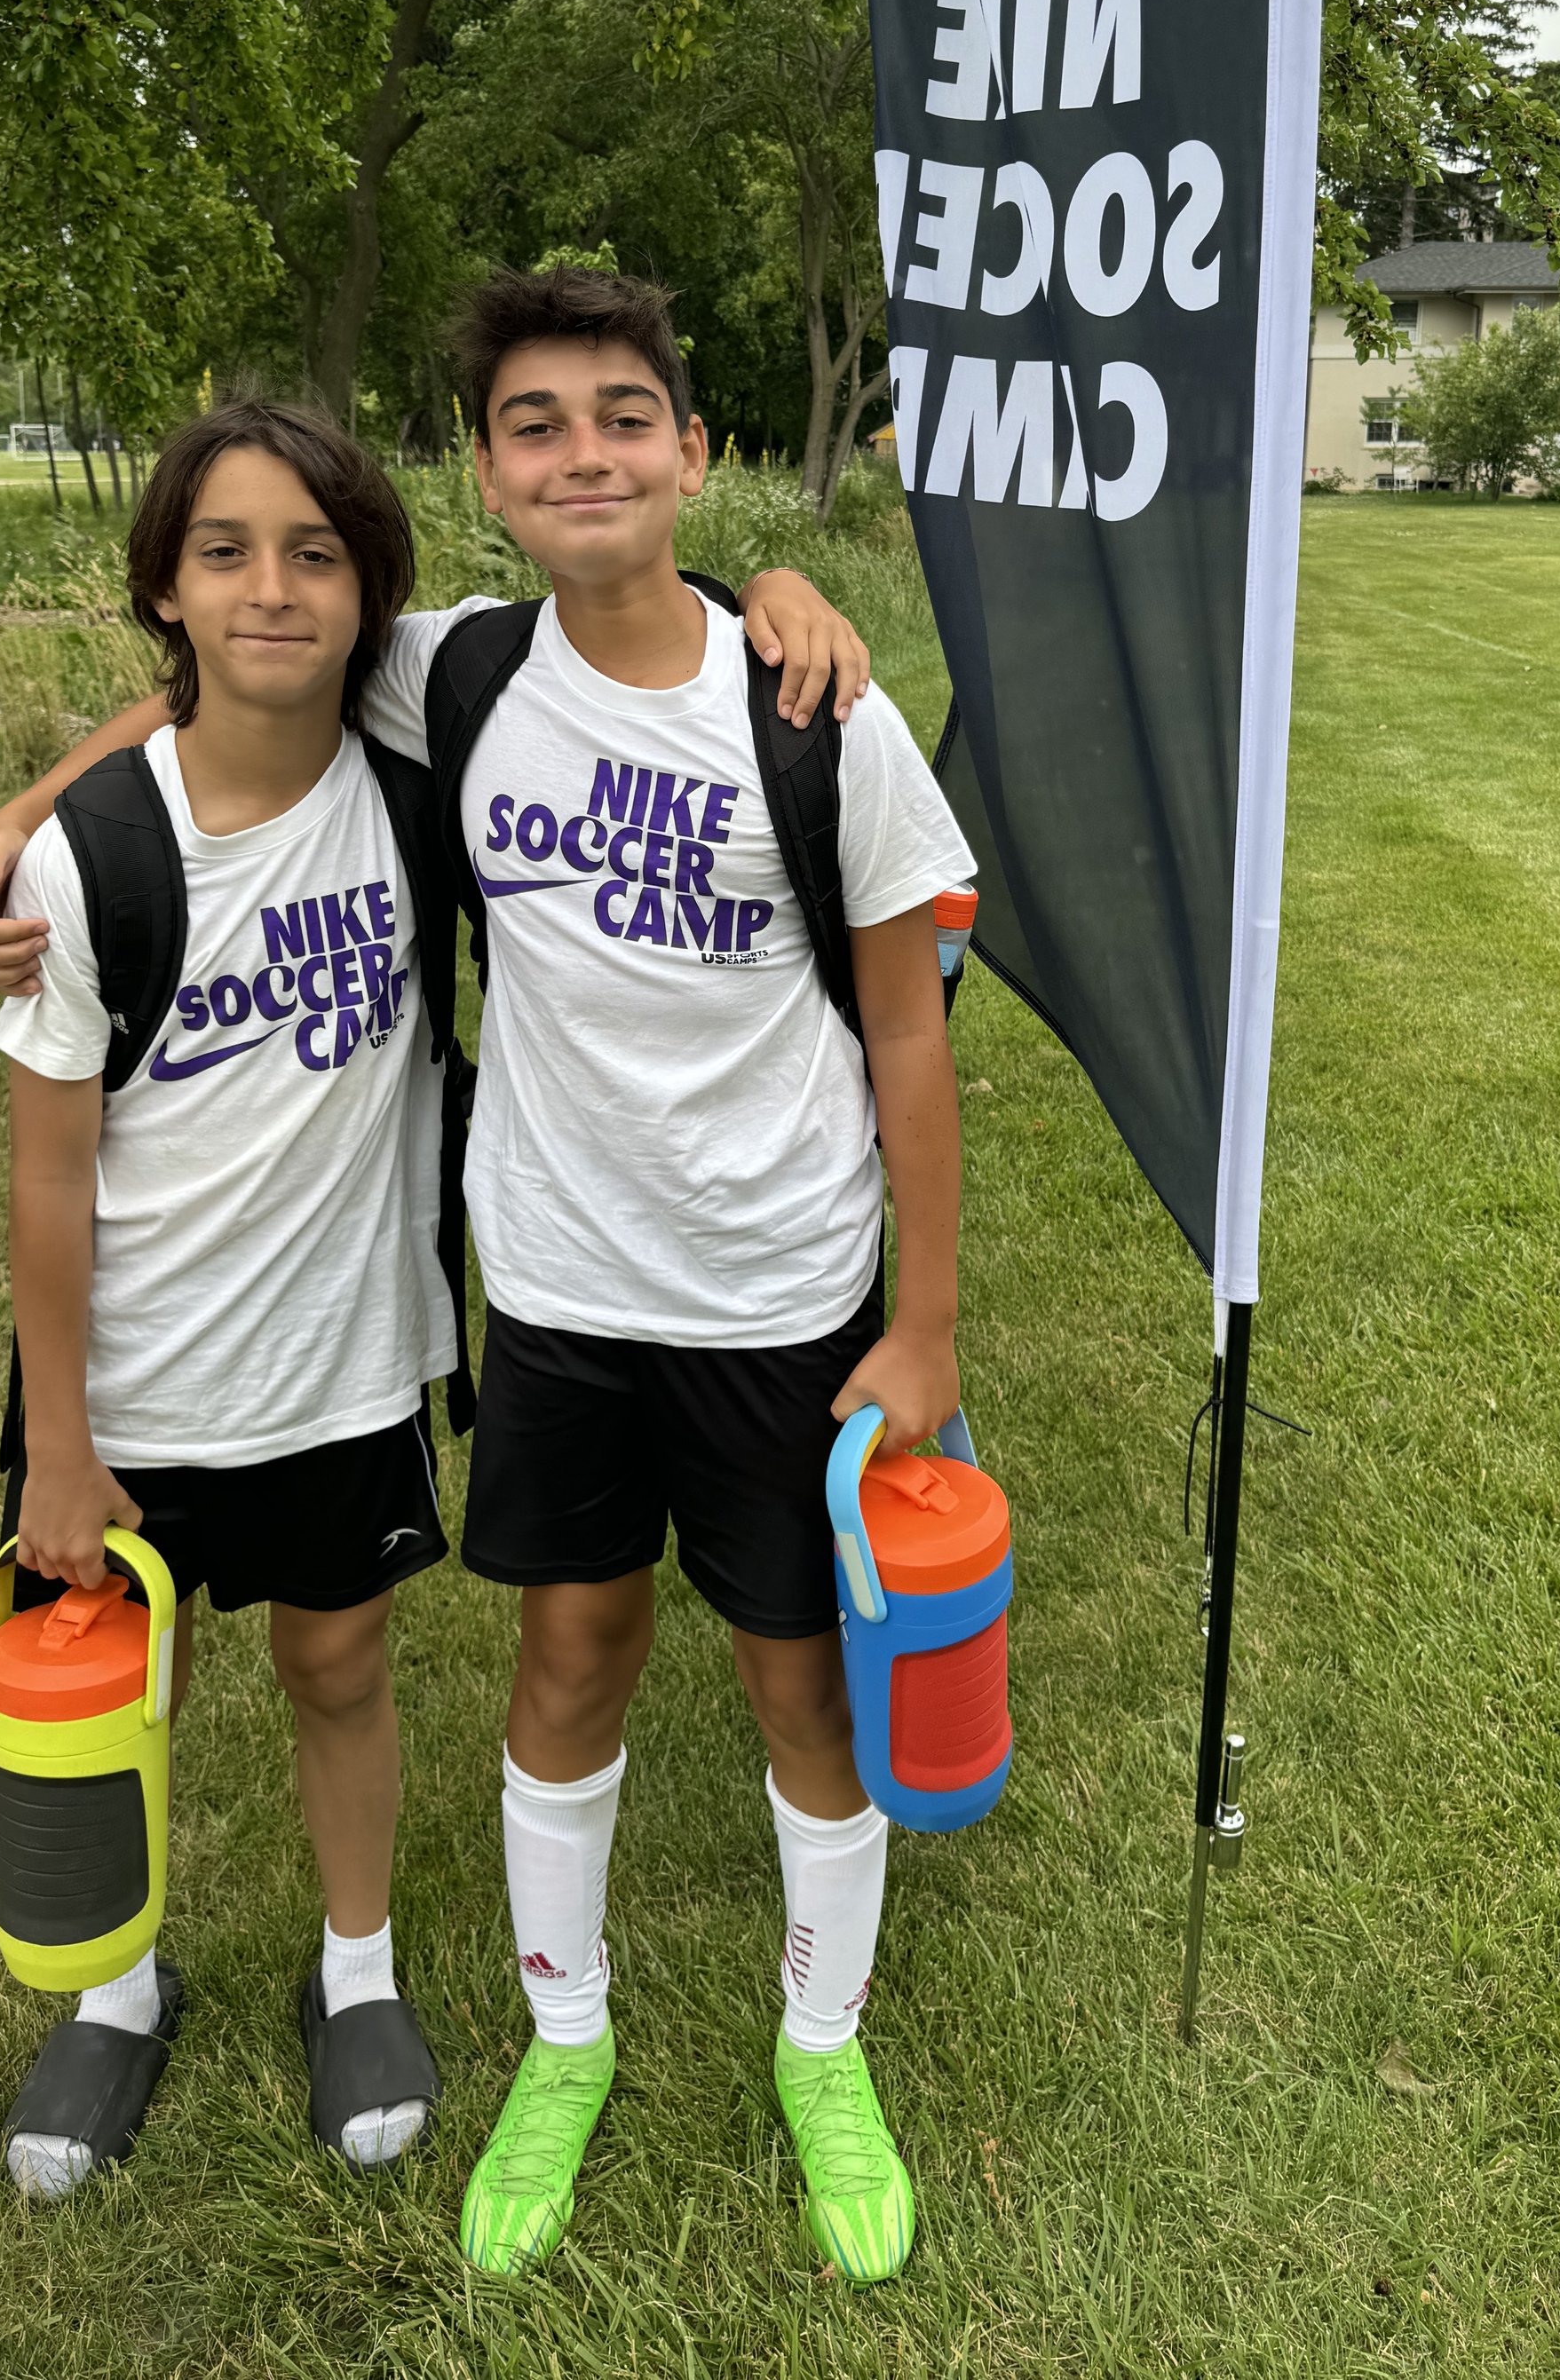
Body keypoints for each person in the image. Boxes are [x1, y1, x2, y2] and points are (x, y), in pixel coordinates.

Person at [0, 395, 868, 2206]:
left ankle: (354, 1965)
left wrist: (774, 573)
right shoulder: (98, 861)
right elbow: (45, 1171)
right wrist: (11, 816)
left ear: (370, 592)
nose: (271, 589)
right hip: (131, 1378)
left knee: (337, 1652)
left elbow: (618, 647)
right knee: (119, 1668)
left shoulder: (415, 770)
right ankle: (112, 1991)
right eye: (223, 550)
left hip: (347, 1349)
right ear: (162, 578)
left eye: (315, 553)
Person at [424, 266, 973, 2286]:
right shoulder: (458, 675)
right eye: (538, 421)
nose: (584, 450)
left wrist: (919, 1320)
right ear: (485, 468)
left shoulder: (815, 699)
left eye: (622, 413)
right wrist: (23, 823)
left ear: (693, 448)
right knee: (567, 1656)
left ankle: (817, 2040)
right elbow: (230, 666)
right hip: (563, 1290)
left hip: (782, 1296)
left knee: (794, 1679)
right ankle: (565, 2035)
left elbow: (904, 1024)